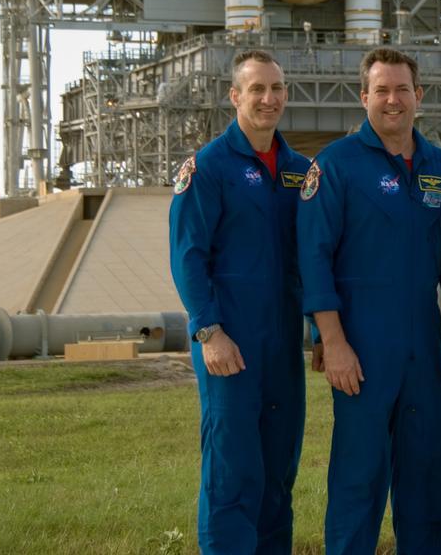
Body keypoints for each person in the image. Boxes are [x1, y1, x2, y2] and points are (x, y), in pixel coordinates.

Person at [297, 47, 441, 553]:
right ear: (363, 96)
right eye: (382, 90)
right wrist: (333, 340)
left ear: (420, 96)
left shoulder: (440, 167)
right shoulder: (336, 165)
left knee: (431, 477)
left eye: (402, 90)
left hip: (423, 345)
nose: (393, 100)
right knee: (358, 481)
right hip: (361, 345)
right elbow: (314, 258)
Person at [168, 49, 310, 554]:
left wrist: (321, 330)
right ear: (235, 96)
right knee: (232, 471)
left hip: (283, 345)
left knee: (279, 472)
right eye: (257, 89)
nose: (268, 99)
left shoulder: (300, 172)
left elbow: (313, 257)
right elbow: (187, 257)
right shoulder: (207, 168)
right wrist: (209, 330)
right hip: (229, 343)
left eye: (276, 89)